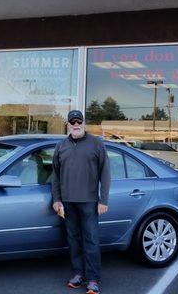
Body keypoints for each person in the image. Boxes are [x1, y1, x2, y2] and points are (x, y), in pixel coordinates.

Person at [52, 110, 110, 294]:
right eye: (72, 122)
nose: (76, 125)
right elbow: (55, 175)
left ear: (84, 123)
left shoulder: (96, 144)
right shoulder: (61, 146)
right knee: (73, 240)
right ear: (68, 125)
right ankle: (78, 274)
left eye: (79, 121)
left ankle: (93, 279)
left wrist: (103, 200)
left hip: (89, 202)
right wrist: (56, 199)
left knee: (91, 240)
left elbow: (105, 174)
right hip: (68, 203)